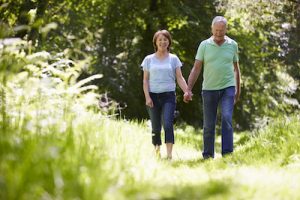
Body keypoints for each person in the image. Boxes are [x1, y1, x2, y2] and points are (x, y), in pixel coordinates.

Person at [184, 16, 241, 159]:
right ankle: (208, 155)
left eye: (221, 31)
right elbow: (196, 68)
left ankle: (227, 154)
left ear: (226, 29)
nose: (218, 33)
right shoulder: (204, 45)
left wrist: (237, 90)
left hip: (228, 87)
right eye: (216, 30)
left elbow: (236, 69)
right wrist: (188, 89)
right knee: (209, 124)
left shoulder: (232, 44)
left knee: (227, 118)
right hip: (209, 89)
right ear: (212, 29)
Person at [141, 30, 189, 160]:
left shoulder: (174, 59)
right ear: (155, 42)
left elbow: (179, 77)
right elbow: (145, 80)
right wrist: (147, 97)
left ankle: (169, 155)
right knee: (156, 127)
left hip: (168, 96)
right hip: (152, 96)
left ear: (169, 42)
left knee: (168, 124)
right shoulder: (148, 59)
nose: (163, 42)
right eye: (160, 40)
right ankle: (157, 152)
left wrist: (186, 91)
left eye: (165, 39)